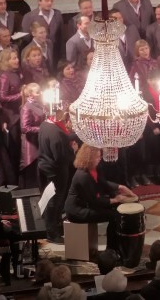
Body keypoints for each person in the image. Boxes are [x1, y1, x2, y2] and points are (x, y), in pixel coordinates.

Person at [64, 144, 137, 251]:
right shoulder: (83, 176)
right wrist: (116, 199)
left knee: (115, 209)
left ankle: (116, 246)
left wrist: (120, 187)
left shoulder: (91, 169)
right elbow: (94, 201)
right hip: (77, 211)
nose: (100, 159)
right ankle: (111, 249)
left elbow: (102, 182)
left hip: (85, 204)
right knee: (114, 216)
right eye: (97, 157)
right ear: (90, 158)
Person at [37, 110, 77, 243]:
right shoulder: (58, 133)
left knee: (50, 199)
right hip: (56, 171)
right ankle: (52, 233)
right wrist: (73, 151)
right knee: (55, 201)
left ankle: (55, 226)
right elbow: (60, 157)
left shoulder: (45, 124)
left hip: (44, 165)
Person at [0, 48, 23, 185]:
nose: (17, 60)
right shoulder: (4, 76)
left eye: (17, 57)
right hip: (10, 117)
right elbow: (2, 97)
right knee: (12, 150)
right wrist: (21, 95)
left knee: (18, 149)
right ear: (7, 61)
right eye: (14, 58)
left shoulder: (15, 74)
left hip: (17, 114)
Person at [21, 0, 64, 64]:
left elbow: (61, 34)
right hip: (37, 52)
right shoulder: (29, 16)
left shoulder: (57, 14)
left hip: (55, 51)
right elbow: (26, 37)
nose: (49, 3)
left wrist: (62, 53)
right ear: (39, 2)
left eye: (51, 1)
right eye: (47, 1)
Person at [19, 83, 45, 189]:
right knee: (32, 169)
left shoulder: (39, 104)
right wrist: (42, 128)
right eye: (37, 92)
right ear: (30, 94)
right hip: (31, 143)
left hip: (38, 140)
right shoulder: (27, 107)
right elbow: (25, 128)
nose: (40, 93)